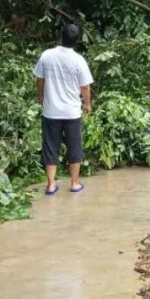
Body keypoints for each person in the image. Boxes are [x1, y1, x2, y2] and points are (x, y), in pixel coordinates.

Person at [34, 24, 93, 195]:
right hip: (72, 112)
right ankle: (74, 183)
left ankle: (51, 185)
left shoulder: (46, 56)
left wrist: (41, 96)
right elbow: (85, 87)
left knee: (51, 147)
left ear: (61, 37)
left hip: (51, 111)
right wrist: (87, 104)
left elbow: (39, 79)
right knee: (75, 147)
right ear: (76, 41)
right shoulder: (78, 60)